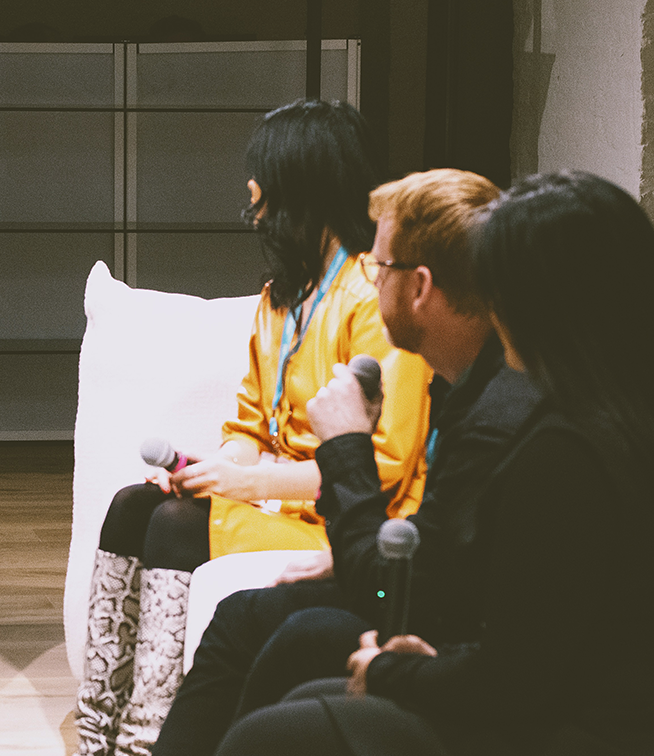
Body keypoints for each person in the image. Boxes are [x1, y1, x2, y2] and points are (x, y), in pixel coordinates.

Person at [212, 171, 654, 756]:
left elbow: (514, 683)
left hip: (591, 735)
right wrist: (433, 666)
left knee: (270, 734)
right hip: (652, 723)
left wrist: (390, 672)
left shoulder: (562, 450)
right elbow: (548, 645)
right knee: (307, 687)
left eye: (497, 285)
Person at [73, 100, 435, 756]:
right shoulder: (280, 297)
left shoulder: (367, 300)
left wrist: (245, 479)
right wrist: (210, 469)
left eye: (261, 188)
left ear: (303, 188)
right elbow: (246, 421)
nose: (253, 205)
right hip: (277, 499)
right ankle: (96, 728)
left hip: (338, 515)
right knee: (135, 504)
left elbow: (379, 463)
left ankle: (145, 736)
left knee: (173, 525)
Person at [155, 168, 522, 755]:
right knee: (249, 617)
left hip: (451, 636)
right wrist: (342, 558)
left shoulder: (497, 411)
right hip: (431, 603)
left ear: (420, 287)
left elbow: (417, 585)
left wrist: (345, 444)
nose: (370, 283)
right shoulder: (461, 381)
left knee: (293, 634)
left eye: (379, 270)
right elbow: (441, 542)